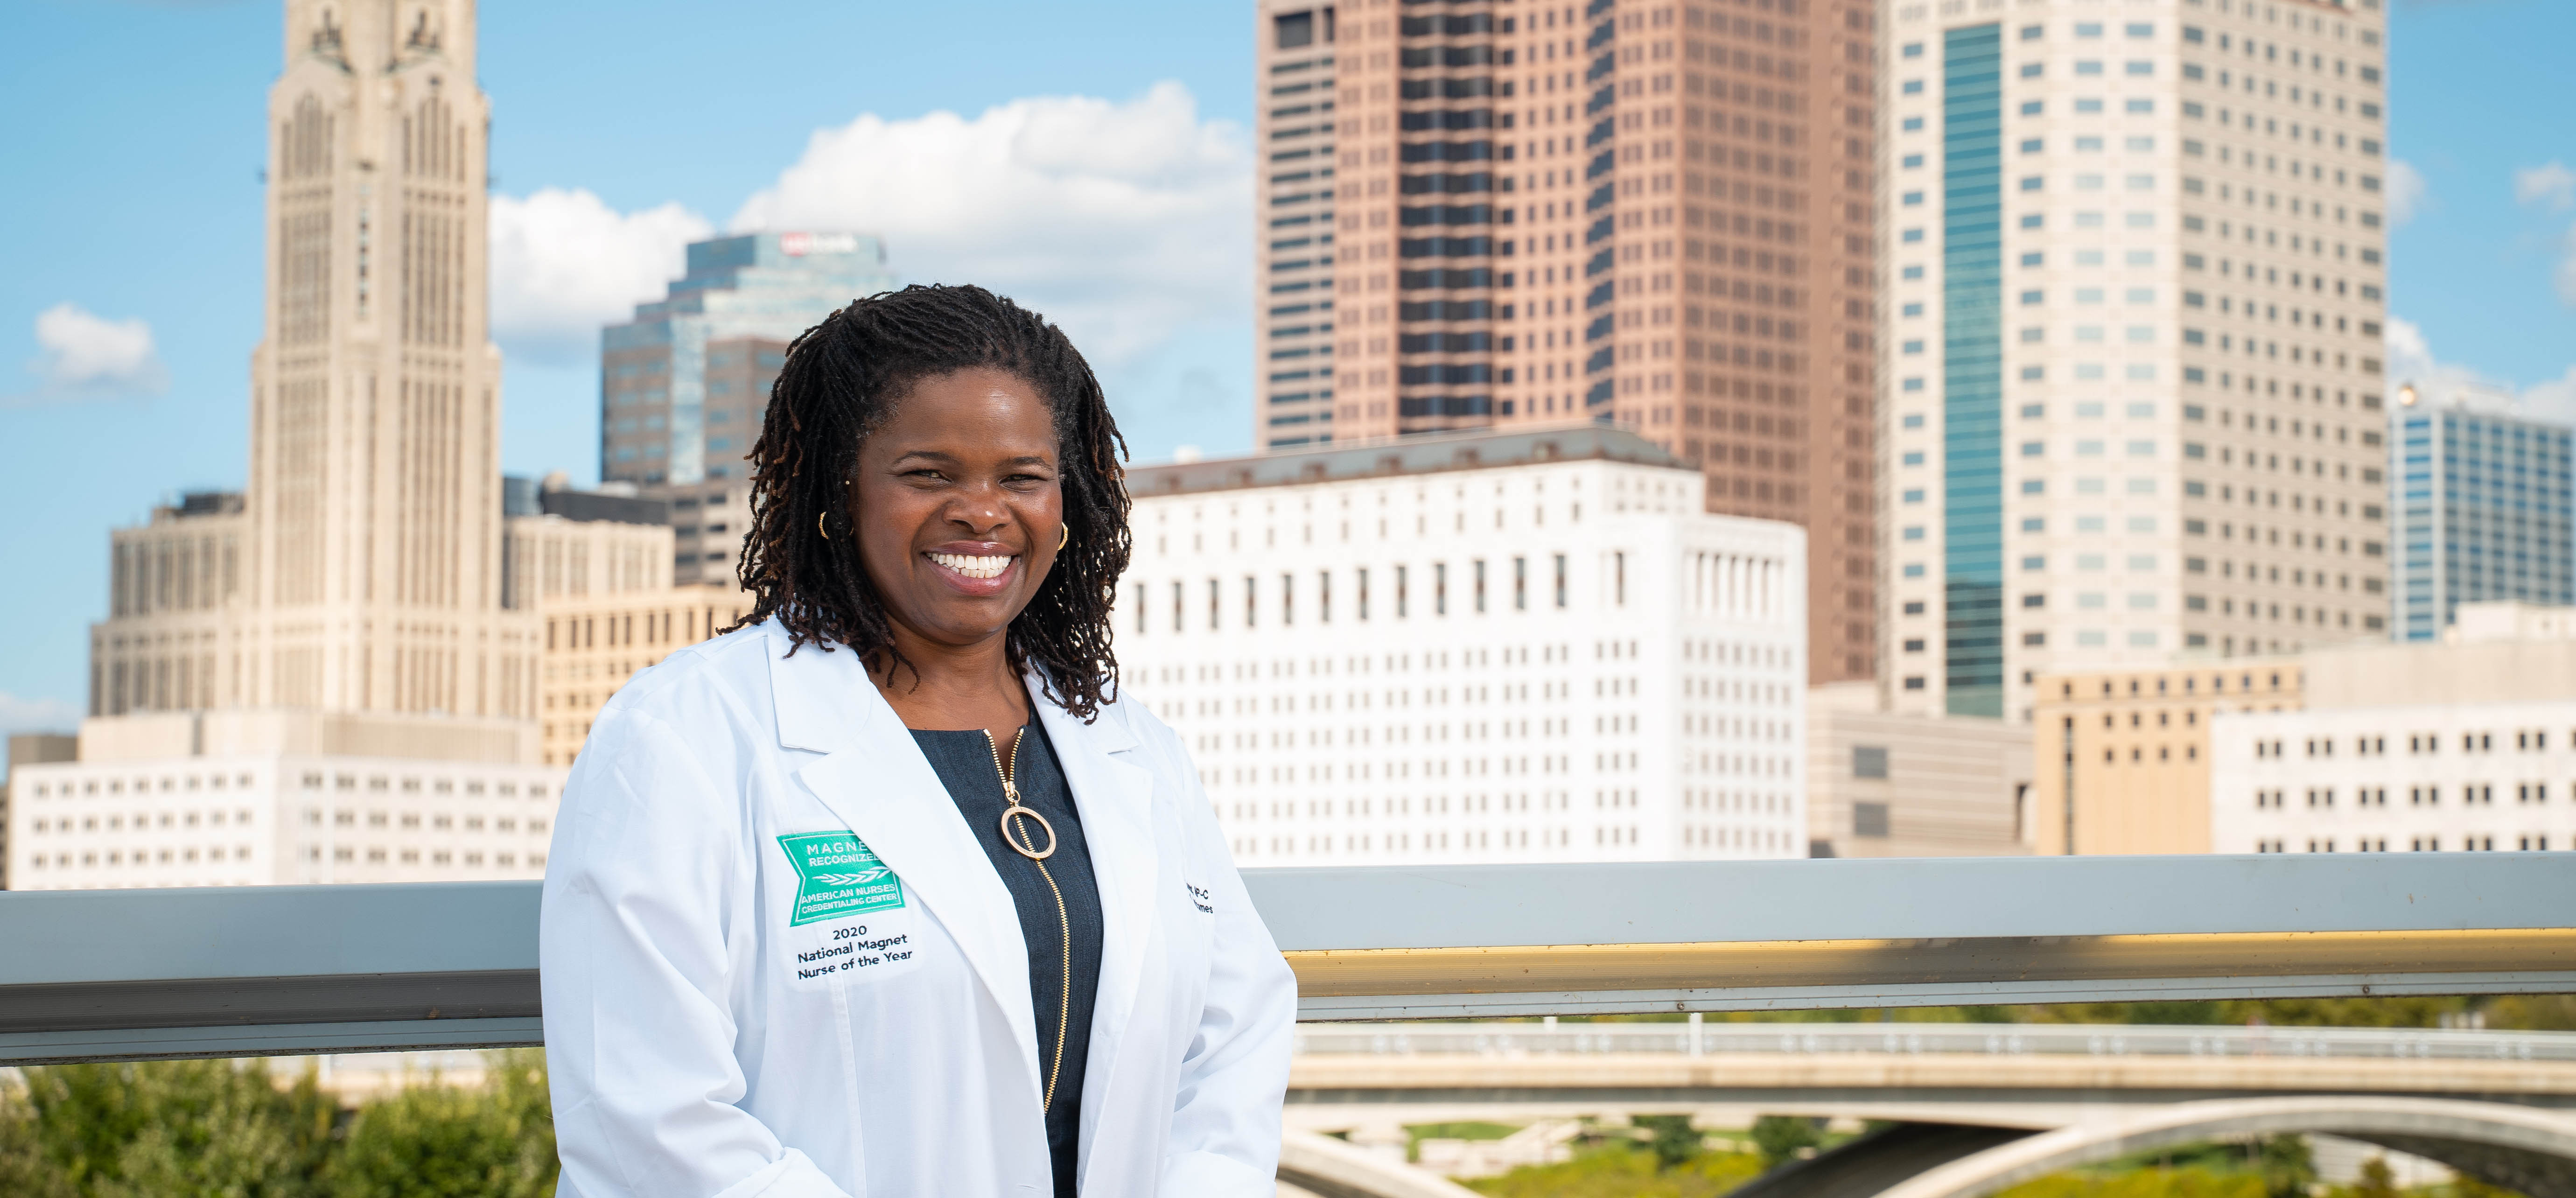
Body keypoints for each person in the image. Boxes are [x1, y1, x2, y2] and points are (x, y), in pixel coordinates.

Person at [539, 285, 1297, 1198]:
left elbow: (1234, 1040)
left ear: (1069, 502)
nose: (982, 512)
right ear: (840, 489)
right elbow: (647, 1120)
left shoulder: (1131, 748)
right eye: (930, 474)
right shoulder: (684, 737)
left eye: (1020, 477)